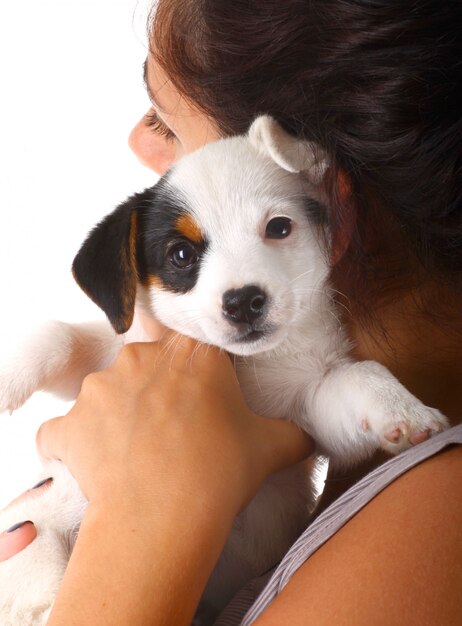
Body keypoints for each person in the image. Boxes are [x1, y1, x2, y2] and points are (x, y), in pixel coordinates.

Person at [1, 0, 462, 623]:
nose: (138, 142)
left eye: (167, 123)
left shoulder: (423, 541)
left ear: (322, 196)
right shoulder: (386, 496)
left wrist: (142, 521)